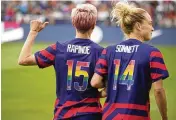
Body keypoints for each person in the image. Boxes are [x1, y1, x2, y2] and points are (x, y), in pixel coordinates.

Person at [18, 4, 104, 120]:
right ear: (94, 25)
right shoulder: (102, 53)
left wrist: (33, 31)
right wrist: (97, 95)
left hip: (63, 113)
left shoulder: (58, 49)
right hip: (91, 114)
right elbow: (110, 86)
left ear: (73, 23)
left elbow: (23, 59)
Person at [91, 2, 169, 120]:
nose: (152, 28)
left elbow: (96, 82)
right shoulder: (152, 53)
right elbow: (158, 91)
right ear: (138, 26)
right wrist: (165, 117)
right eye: (150, 23)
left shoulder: (108, 51)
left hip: (109, 116)